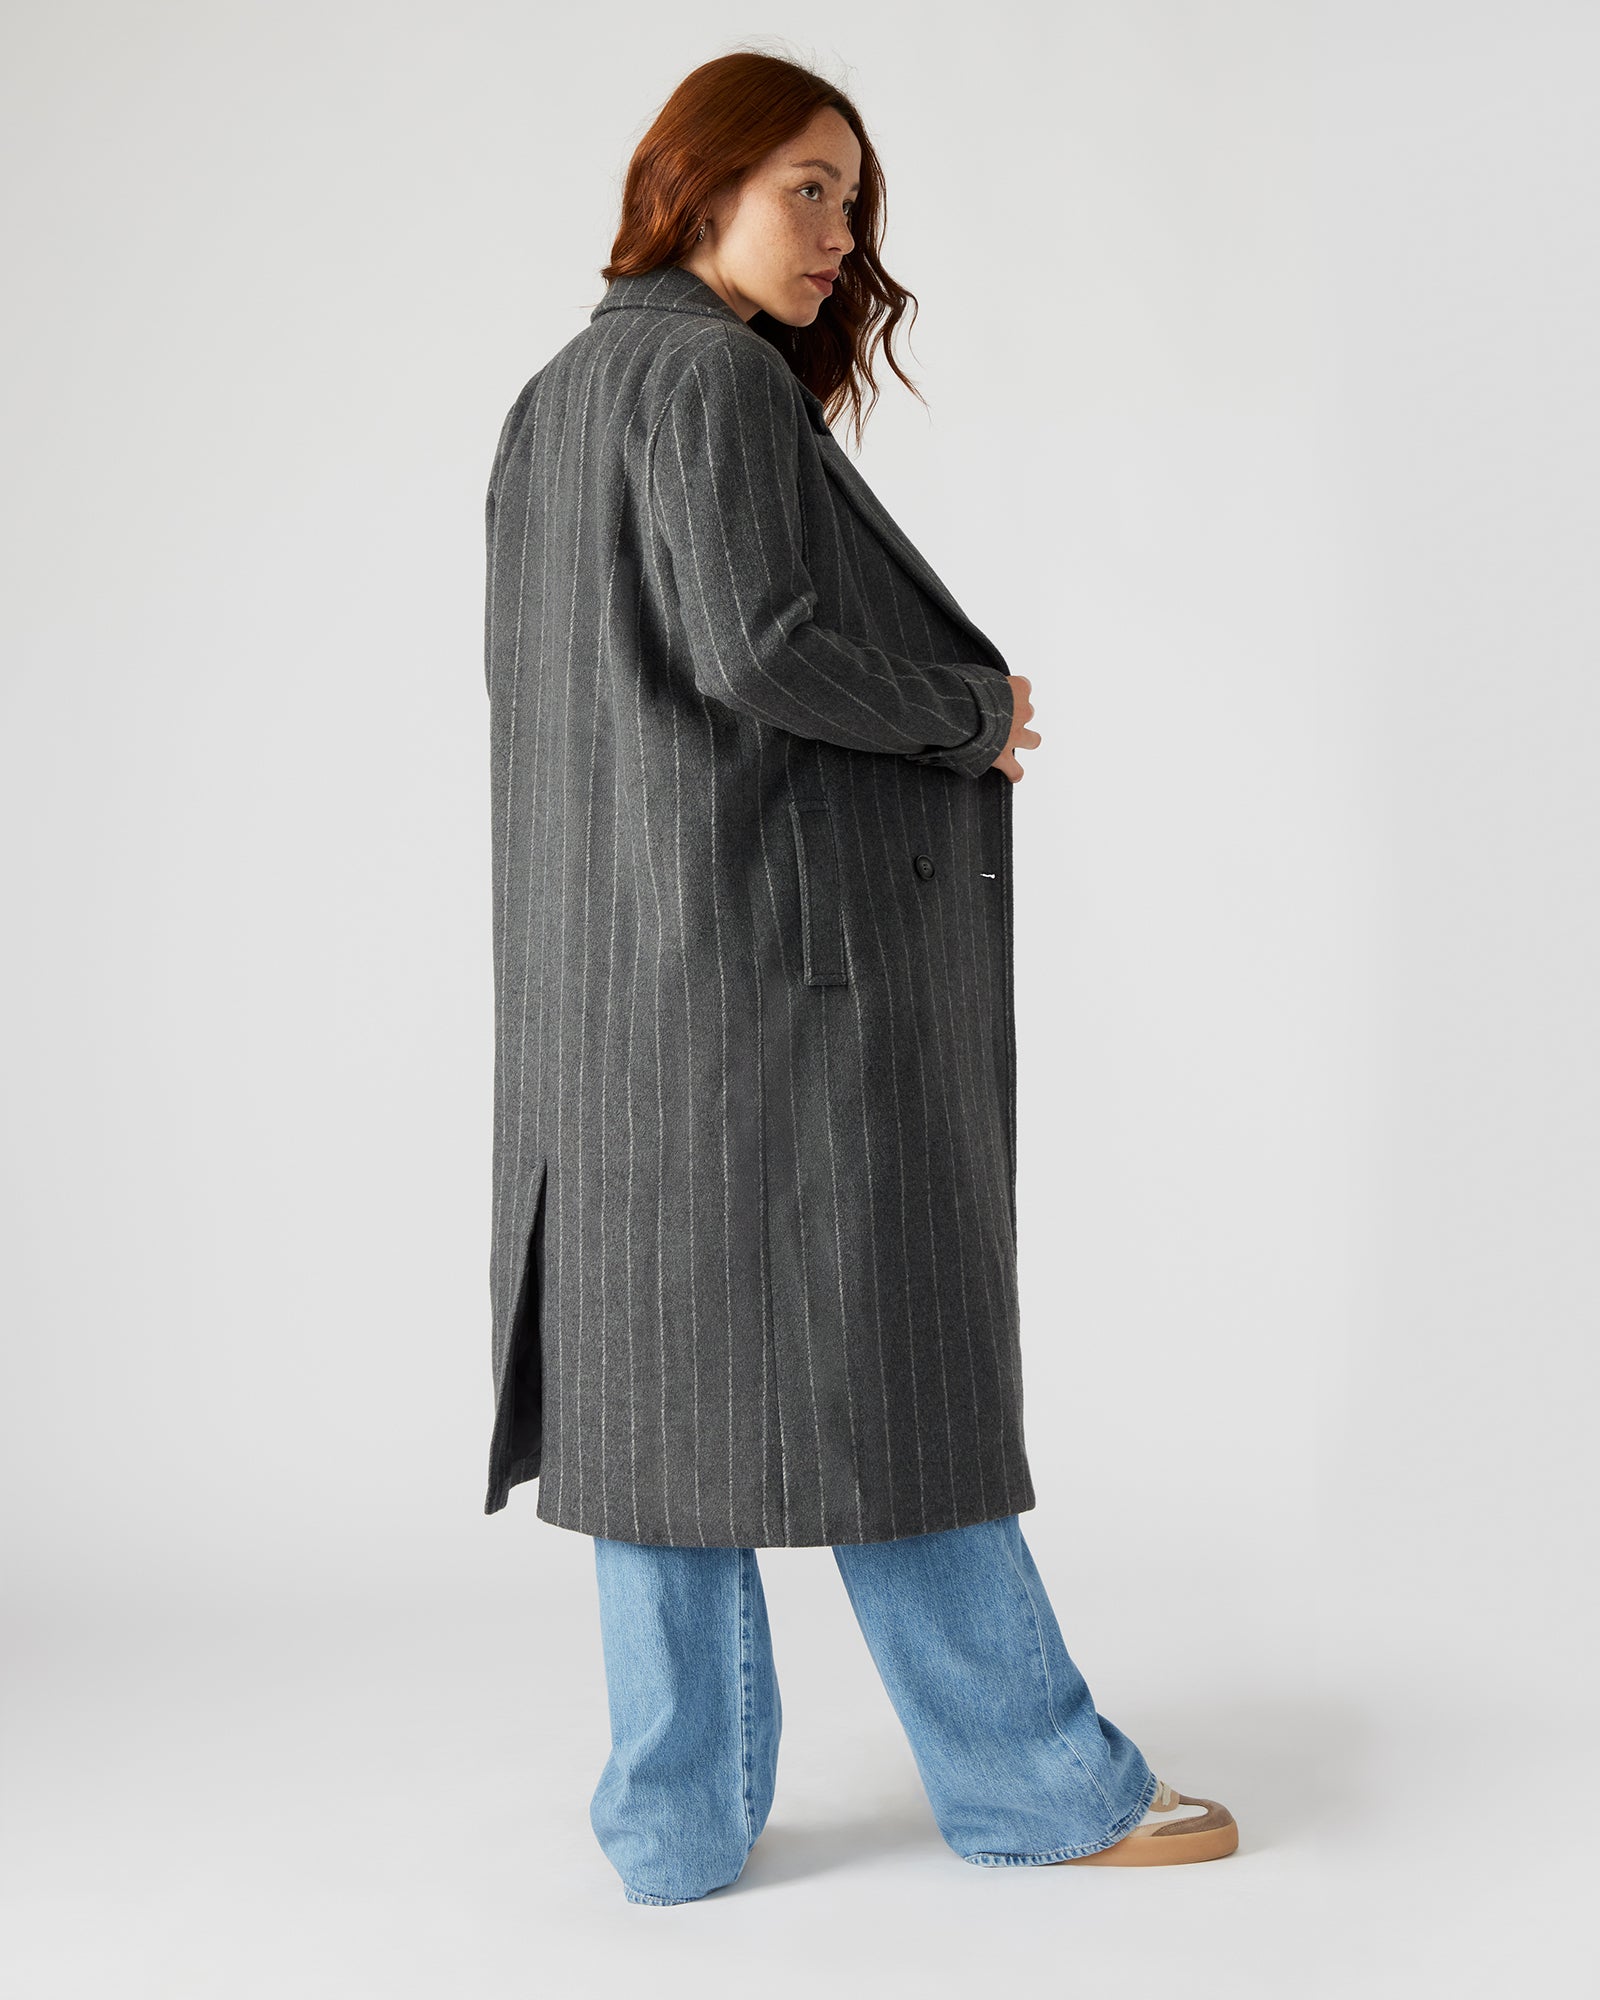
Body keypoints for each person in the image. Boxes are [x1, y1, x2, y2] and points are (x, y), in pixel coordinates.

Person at [480, 50, 1238, 1904]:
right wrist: (967, 716)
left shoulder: (558, 397)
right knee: (889, 1363)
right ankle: (1034, 1784)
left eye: (854, 197)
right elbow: (759, 647)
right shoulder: (711, 381)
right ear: (695, 183)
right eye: (806, 187)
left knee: (659, 1397)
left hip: (613, 991)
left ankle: (671, 1826)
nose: (841, 232)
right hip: (771, 977)